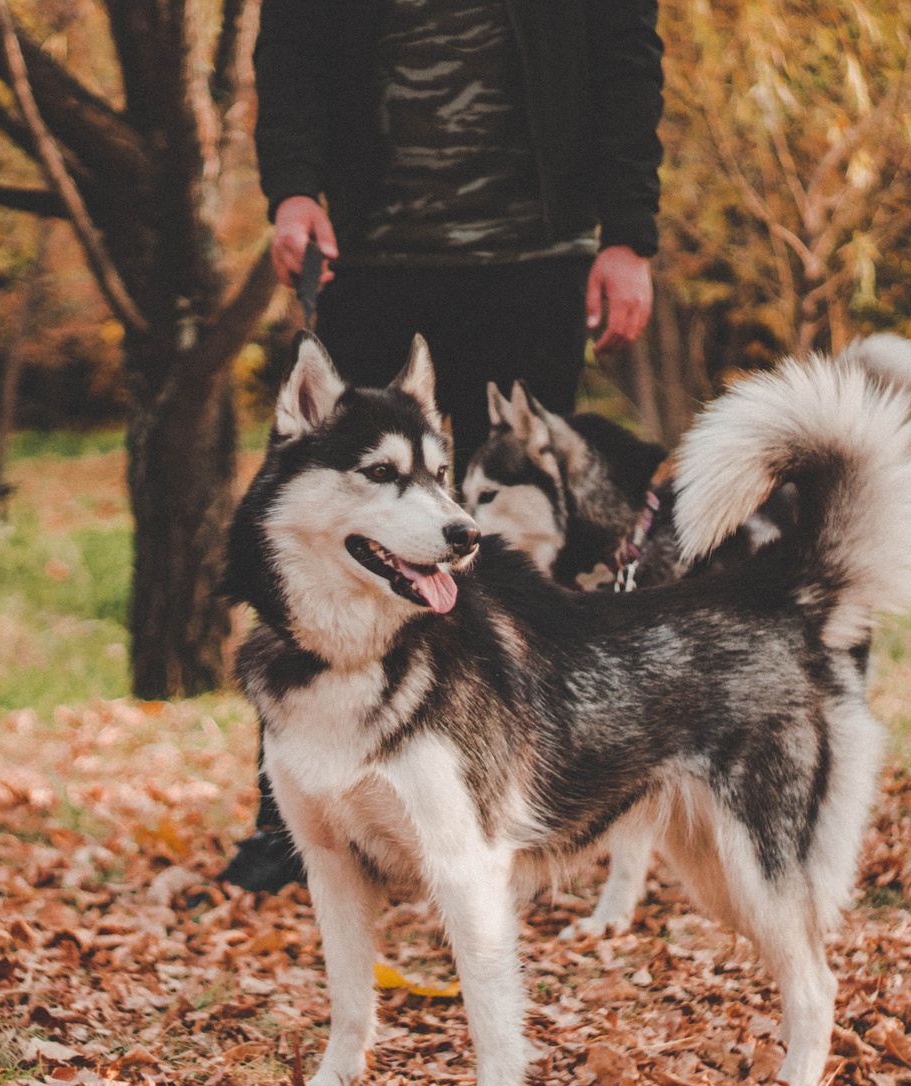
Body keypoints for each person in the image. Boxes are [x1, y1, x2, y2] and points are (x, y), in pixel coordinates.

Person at [218, 0, 664, 893]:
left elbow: (624, 53)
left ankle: (498, 799)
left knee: (508, 548)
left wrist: (629, 236)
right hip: (372, 256)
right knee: (334, 532)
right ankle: (295, 817)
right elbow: (293, 43)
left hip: (538, 258)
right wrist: (294, 188)